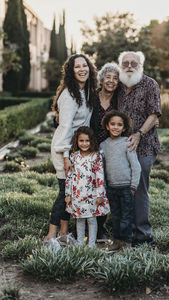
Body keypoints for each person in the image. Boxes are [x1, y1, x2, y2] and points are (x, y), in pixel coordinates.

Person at [45, 54, 97, 242]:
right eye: (77, 67)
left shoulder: (85, 91)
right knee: (64, 193)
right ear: (71, 71)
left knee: (72, 192)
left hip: (76, 149)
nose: (82, 69)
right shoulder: (69, 95)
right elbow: (66, 128)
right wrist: (67, 155)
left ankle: (64, 232)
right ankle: (51, 235)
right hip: (64, 150)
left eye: (85, 65)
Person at [117, 51, 162, 246]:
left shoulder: (150, 84)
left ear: (140, 65)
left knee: (140, 185)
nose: (129, 66)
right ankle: (123, 232)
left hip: (144, 145)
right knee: (121, 187)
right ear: (120, 65)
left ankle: (144, 235)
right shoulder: (116, 84)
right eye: (125, 63)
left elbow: (154, 114)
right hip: (120, 146)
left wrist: (139, 134)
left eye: (133, 63)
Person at [100, 110, 141, 250]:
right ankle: (117, 241)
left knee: (126, 217)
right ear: (107, 126)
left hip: (126, 188)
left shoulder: (127, 143)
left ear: (124, 128)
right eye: (112, 124)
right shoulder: (103, 145)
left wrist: (133, 186)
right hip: (111, 188)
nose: (116, 127)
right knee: (116, 216)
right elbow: (102, 169)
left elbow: (136, 166)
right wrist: (104, 187)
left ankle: (127, 243)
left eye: (119, 125)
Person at [65, 126, 110, 247]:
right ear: (77, 141)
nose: (84, 144)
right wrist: (68, 194)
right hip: (77, 194)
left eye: (87, 141)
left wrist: (100, 195)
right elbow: (69, 177)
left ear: (92, 141)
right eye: (81, 141)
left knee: (91, 219)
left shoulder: (96, 156)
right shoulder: (74, 156)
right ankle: (80, 243)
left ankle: (91, 244)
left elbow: (100, 177)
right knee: (79, 219)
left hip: (92, 194)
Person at [90, 62, 120, 240]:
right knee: (94, 187)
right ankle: (92, 227)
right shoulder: (91, 97)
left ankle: (103, 227)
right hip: (92, 148)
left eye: (115, 78)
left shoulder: (118, 99)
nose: (111, 81)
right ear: (101, 79)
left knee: (108, 187)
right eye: (108, 77)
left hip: (112, 149)